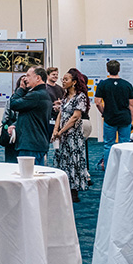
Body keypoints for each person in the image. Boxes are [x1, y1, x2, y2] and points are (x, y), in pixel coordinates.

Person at [52, 68, 91, 202]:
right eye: (62, 79)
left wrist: (61, 132)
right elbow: (60, 114)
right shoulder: (64, 97)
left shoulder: (80, 97)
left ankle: (73, 191)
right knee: (63, 160)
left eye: (66, 79)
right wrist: (55, 130)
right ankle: (63, 188)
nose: (63, 81)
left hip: (73, 136)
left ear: (74, 82)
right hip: (62, 136)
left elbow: (75, 117)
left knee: (73, 162)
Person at [94, 60, 133, 167]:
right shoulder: (127, 85)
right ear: (119, 69)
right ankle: (124, 167)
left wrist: (104, 113)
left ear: (107, 70)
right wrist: (130, 119)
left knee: (108, 145)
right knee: (125, 145)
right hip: (124, 118)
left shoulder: (103, 84)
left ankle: (109, 169)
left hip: (110, 118)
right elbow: (131, 105)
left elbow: (98, 102)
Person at [9, 66, 52, 166]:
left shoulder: (35, 95)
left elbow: (14, 104)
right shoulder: (43, 94)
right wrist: (16, 124)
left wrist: (21, 89)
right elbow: (32, 116)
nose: (25, 79)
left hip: (30, 145)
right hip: (36, 143)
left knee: (28, 177)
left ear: (38, 78)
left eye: (28, 76)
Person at [0, 75, 28, 163]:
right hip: (25, 135)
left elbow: (5, 118)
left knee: (11, 160)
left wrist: (8, 126)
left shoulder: (12, 98)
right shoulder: (31, 98)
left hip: (11, 134)